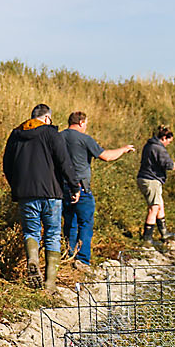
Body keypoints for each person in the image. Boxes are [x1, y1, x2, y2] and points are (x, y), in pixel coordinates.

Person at [2, 103, 75, 291]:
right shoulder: (51, 133)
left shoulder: (16, 135)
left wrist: (17, 186)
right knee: (52, 234)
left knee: (31, 232)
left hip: (26, 194)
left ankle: (33, 260)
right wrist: (74, 186)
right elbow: (64, 161)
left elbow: (7, 165)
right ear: (46, 118)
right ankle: (50, 285)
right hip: (51, 193)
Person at [59, 111, 135, 271]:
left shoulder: (58, 137)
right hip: (81, 188)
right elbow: (106, 156)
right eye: (85, 123)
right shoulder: (84, 139)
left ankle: (68, 255)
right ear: (81, 123)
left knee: (69, 223)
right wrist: (123, 149)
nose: (86, 126)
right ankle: (82, 260)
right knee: (85, 223)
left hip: (61, 187)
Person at [136, 124, 175, 244]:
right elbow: (170, 166)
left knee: (160, 205)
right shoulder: (158, 148)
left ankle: (164, 233)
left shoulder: (149, 145)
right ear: (164, 137)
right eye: (168, 141)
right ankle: (147, 238)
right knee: (153, 208)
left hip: (146, 178)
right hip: (151, 180)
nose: (168, 144)